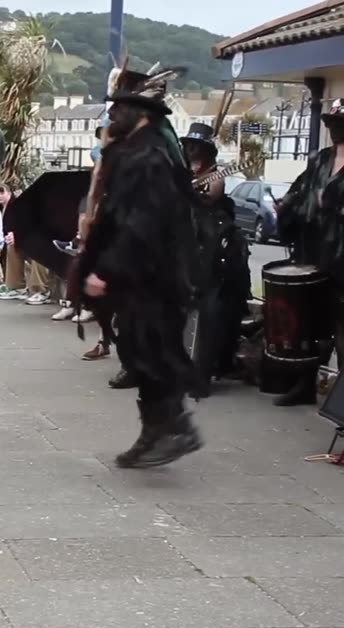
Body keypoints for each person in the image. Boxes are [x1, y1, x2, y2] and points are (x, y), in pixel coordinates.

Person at [76, 62, 202, 468]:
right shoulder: (133, 150)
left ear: (141, 112)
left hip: (154, 277)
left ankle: (175, 429)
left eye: (120, 108)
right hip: (144, 275)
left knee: (152, 352)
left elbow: (141, 222)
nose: (112, 114)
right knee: (139, 350)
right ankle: (156, 433)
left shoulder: (148, 156)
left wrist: (105, 270)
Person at [273, 99, 344, 406]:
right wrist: (285, 207)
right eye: (328, 123)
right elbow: (300, 191)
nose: (331, 129)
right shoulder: (322, 159)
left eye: (337, 124)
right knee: (312, 325)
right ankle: (304, 386)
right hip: (313, 254)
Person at [181, 122, 250, 395]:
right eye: (187, 145)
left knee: (209, 313)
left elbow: (211, 196)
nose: (190, 149)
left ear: (207, 149)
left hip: (214, 252)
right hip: (186, 249)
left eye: (195, 145)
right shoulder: (183, 173)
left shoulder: (217, 174)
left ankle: (203, 372)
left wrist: (191, 188)